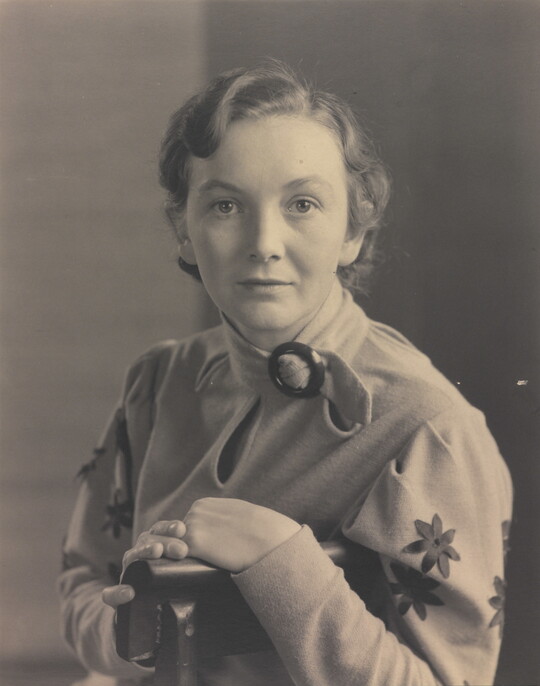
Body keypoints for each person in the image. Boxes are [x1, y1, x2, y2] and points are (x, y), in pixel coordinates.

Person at [59, 60, 513, 686]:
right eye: (225, 205)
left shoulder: (428, 430)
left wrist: (280, 560)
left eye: (302, 204)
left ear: (353, 232)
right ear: (184, 231)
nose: (264, 243)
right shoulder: (158, 383)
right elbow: (84, 579)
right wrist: (133, 631)